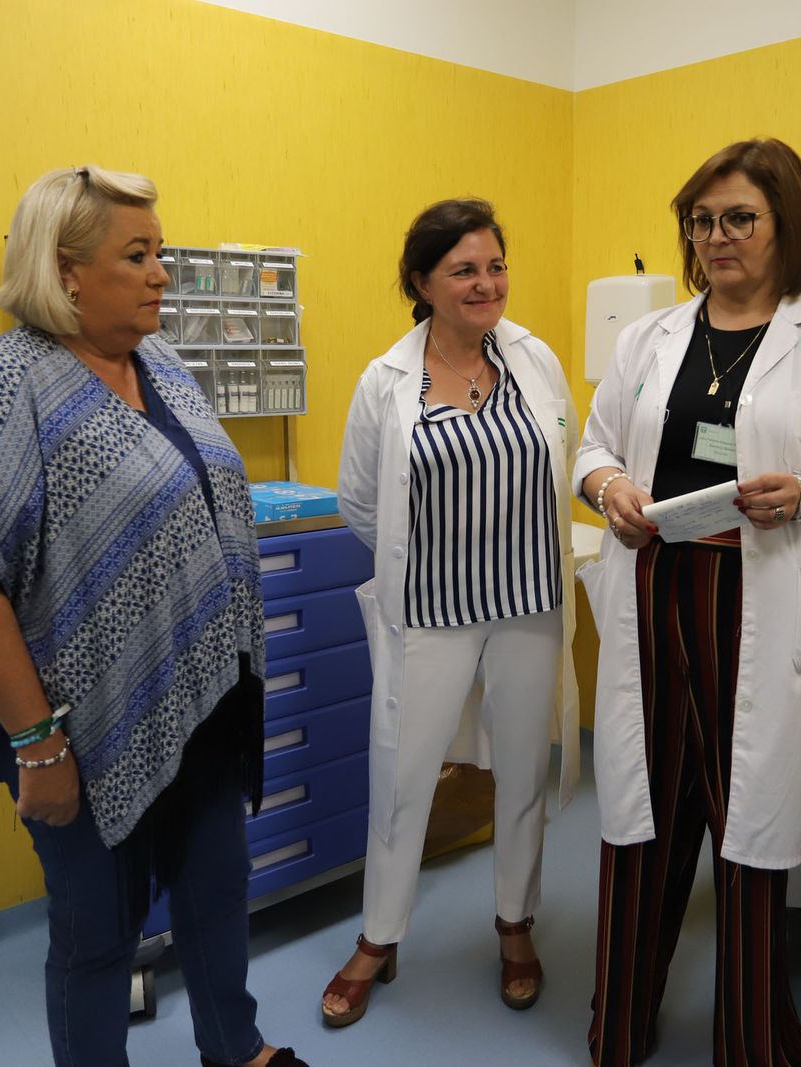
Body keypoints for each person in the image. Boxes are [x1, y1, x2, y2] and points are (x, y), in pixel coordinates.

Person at [0, 165, 307, 1067]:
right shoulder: (6, 382)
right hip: (70, 729)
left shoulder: (159, 361)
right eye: (139, 254)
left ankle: (234, 1047)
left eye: (160, 250)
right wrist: (39, 744)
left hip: (196, 694)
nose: (163, 271)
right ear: (66, 269)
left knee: (215, 893)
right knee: (97, 933)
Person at [574, 138, 801, 1066]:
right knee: (642, 820)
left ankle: (752, 1042)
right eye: (703, 220)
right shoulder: (646, 339)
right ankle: (620, 1030)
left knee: (746, 831)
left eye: (740, 218)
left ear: (784, 227)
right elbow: (593, 448)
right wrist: (611, 491)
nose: (718, 237)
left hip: (757, 599)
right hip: (654, 591)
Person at [327, 198, 580, 1026]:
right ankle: (379, 934)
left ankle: (515, 922)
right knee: (402, 776)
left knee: (520, 771)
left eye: (496, 265)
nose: (487, 283)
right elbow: (361, 503)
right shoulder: (386, 380)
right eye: (464, 270)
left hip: (528, 605)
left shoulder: (535, 360)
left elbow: (561, 455)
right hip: (430, 612)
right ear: (422, 282)